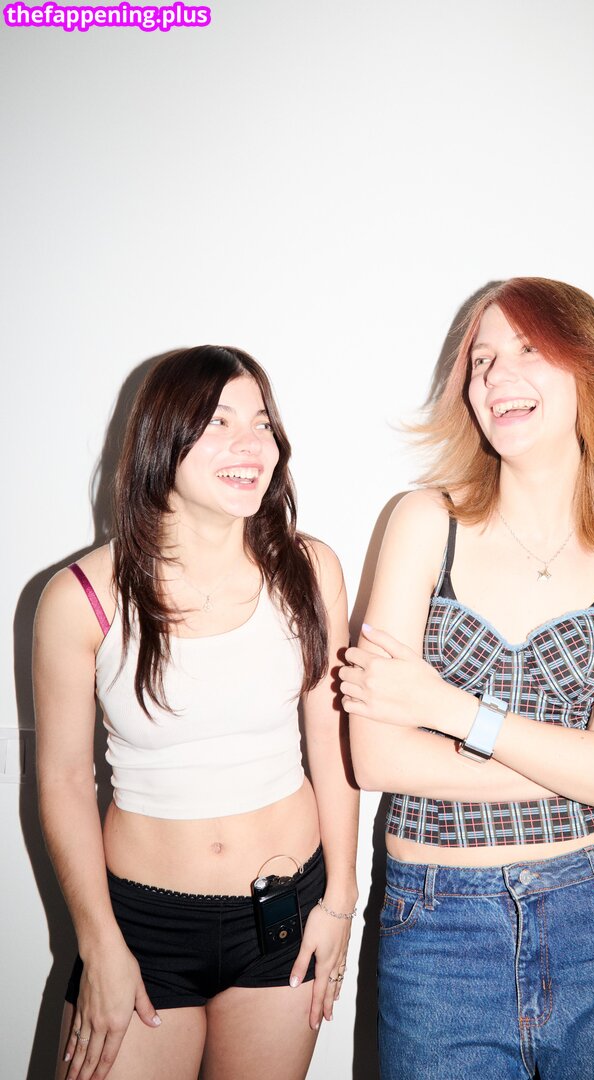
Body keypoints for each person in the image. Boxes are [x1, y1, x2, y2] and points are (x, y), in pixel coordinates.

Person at [343, 278, 594, 1080]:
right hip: (438, 928)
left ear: (589, 368)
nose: (498, 375)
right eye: (482, 360)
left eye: (529, 350)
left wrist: (449, 710)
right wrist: (589, 764)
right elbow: (377, 757)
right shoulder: (423, 522)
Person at [33, 345, 359, 1080]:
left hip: (283, 916)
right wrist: (99, 942)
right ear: (163, 439)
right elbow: (63, 781)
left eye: (263, 423)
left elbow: (333, 741)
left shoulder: (311, 572)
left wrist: (341, 899)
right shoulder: (80, 599)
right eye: (220, 423)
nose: (252, 444)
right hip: (141, 928)